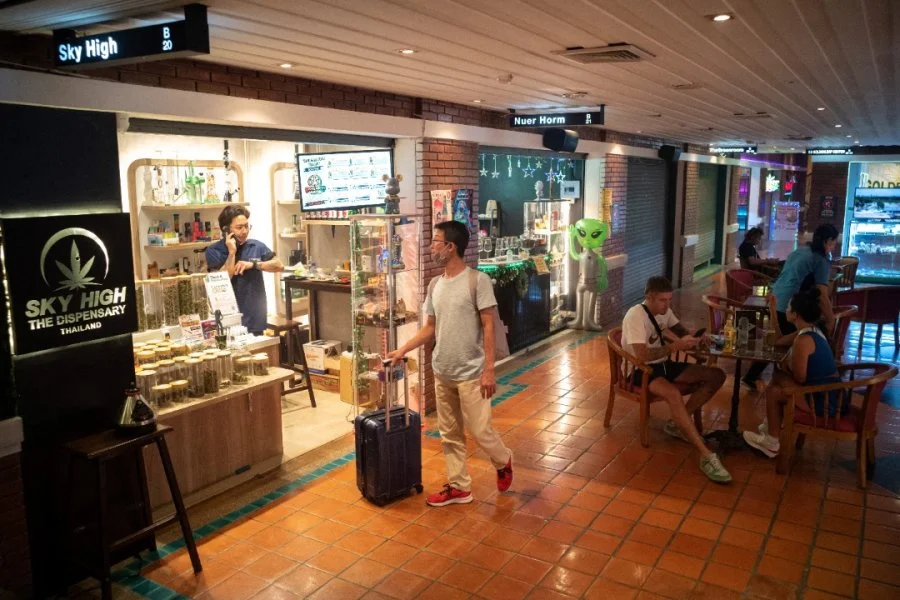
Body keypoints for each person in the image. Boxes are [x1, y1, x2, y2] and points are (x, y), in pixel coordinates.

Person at [388, 220, 513, 507]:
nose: (432, 247)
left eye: (436, 241)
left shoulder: (477, 281)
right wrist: (403, 349)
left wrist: (489, 370)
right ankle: (459, 487)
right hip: (442, 371)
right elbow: (430, 327)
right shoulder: (435, 284)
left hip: (472, 373)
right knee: (450, 434)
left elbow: (489, 326)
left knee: (480, 431)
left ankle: (503, 459)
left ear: (450, 247)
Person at [621, 276, 732, 483]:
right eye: (662, 300)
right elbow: (642, 356)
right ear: (649, 297)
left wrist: (696, 338)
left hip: (663, 364)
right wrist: (675, 347)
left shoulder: (665, 312)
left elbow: (681, 331)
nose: (667, 305)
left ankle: (677, 423)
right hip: (640, 370)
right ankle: (706, 454)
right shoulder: (635, 316)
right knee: (673, 394)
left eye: (669, 300)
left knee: (716, 375)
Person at [742, 288, 839, 457]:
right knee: (777, 376)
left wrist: (786, 367)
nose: (785, 309)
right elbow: (779, 341)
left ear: (796, 314)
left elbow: (800, 378)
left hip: (821, 399)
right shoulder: (810, 330)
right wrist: (773, 310)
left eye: (788, 307)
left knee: (774, 390)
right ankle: (770, 428)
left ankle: (772, 441)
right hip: (827, 392)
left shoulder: (803, 340)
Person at [743, 224, 838, 388]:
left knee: (779, 341)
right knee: (787, 341)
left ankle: (754, 376)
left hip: (776, 297)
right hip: (791, 304)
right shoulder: (820, 260)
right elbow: (822, 293)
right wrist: (831, 319)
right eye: (834, 242)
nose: (834, 247)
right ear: (827, 241)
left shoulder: (801, 251)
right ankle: (793, 380)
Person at [205, 205, 283, 335]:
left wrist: (253, 264)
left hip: (254, 318)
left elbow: (279, 265)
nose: (245, 231)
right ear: (226, 230)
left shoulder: (256, 246)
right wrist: (231, 253)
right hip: (227, 320)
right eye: (239, 227)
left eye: (247, 226)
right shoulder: (214, 251)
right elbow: (221, 281)